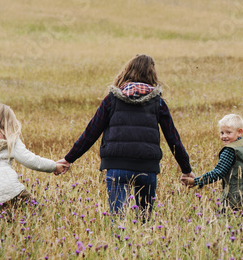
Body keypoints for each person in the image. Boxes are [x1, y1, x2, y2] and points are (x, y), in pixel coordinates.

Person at [57, 54, 192, 218]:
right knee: (144, 221)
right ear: (152, 74)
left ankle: (118, 242)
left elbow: (91, 132)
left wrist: (69, 159)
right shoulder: (157, 102)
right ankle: (142, 242)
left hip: (117, 166)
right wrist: (186, 169)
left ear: (126, 72)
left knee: (118, 221)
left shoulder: (112, 99)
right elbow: (173, 138)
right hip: (147, 167)